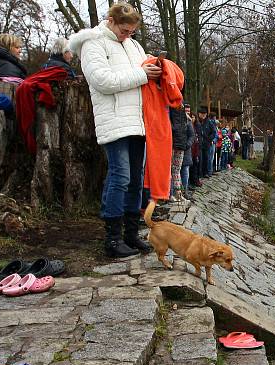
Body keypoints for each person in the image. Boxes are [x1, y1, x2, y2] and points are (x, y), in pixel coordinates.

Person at [69, 2, 158, 258]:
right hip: (115, 120)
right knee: (120, 177)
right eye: (124, 30)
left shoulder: (132, 44)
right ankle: (112, 239)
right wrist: (142, 74)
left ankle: (131, 234)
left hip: (137, 121)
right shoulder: (93, 43)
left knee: (135, 180)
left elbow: (143, 71)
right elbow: (102, 81)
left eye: (131, 31)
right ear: (110, 21)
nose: (127, 35)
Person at [169, 100, 189, 201]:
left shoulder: (171, 110)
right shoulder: (183, 114)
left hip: (176, 144)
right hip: (177, 144)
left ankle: (175, 193)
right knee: (174, 170)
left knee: (173, 169)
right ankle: (174, 193)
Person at [196, 107, 216, 178]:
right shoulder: (197, 121)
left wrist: (209, 139)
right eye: (202, 113)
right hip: (199, 144)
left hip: (206, 143)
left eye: (204, 114)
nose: (203, 115)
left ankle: (206, 172)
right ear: (199, 114)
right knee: (200, 159)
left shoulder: (209, 122)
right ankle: (200, 173)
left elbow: (214, 132)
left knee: (206, 158)